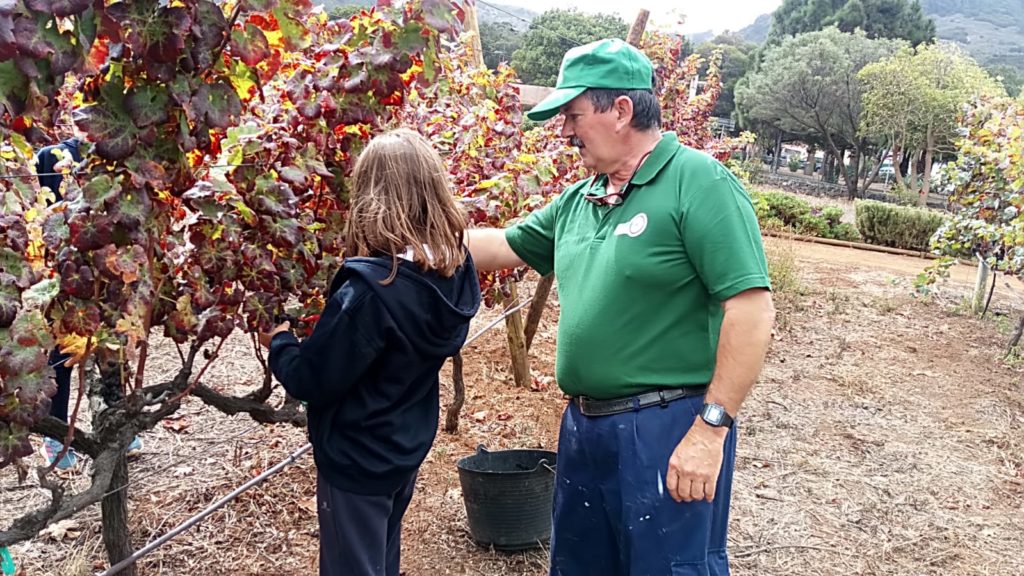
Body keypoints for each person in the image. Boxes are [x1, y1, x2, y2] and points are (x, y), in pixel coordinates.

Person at [465, 39, 775, 575]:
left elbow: (750, 309)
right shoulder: (580, 199)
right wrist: (406, 243)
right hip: (585, 427)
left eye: (573, 114)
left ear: (622, 110)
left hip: (666, 428)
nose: (564, 131)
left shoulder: (698, 184)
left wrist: (711, 430)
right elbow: (501, 246)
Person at [260, 128, 481, 576]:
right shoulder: (452, 269)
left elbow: (312, 379)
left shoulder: (369, 291)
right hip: (403, 446)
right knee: (379, 560)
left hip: (358, 458)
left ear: (371, 196)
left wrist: (280, 341)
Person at [35, 133, 144, 470]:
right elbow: (51, 217)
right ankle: (56, 437)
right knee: (64, 349)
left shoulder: (125, 155)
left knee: (112, 345)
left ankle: (118, 425)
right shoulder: (50, 156)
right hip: (69, 270)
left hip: (111, 268)